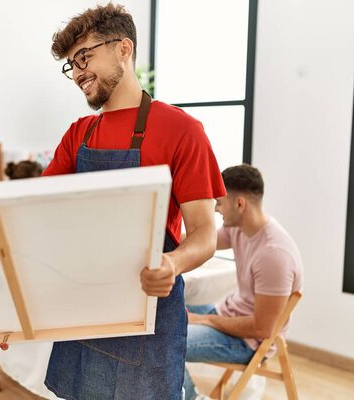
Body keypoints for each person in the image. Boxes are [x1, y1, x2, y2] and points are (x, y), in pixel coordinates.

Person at [41, 3, 226, 399]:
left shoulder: (182, 130)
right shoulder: (80, 134)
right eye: (71, 65)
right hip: (85, 306)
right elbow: (40, 214)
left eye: (85, 57)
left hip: (147, 311)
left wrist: (172, 263)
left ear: (124, 49)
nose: (77, 73)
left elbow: (205, 234)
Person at [183, 164, 304, 400]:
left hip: (248, 342)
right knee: (165, 314)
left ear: (240, 204)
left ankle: (194, 398)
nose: (217, 209)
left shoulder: (274, 255)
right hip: (228, 315)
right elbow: (201, 240)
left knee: (168, 342)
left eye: (220, 203)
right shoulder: (240, 229)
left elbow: (262, 328)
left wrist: (206, 320)